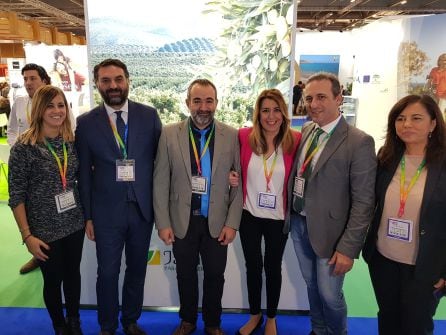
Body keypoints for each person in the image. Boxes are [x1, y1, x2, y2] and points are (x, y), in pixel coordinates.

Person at [75, 58, 162, 335]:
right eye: (106, 81)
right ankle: (108, 325)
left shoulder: (149, 116)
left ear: (127, 80)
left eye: (118, 79)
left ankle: (130, 321)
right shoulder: (86, 123)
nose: (113, 86)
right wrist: (88, 215)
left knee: (137, 270)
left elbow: (162, 163)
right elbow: (84, 175)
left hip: (141, 210)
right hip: (105, 213)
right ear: (97, 84)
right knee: (108, 273)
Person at [286, 72, 377, 335]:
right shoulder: (307, 129)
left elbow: (364, 202)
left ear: (339, 98)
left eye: (322, 97)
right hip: (299, 224)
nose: (313, 104)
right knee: (312, 287)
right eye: (309, 98)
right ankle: (318, 329)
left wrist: (348, 248)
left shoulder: (359, 141)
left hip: (332, 235)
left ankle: (338, 332)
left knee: (329, 294)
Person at [153, 78, 242, 335]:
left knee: (215, 276)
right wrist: (164, 223)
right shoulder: (169, 133)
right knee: (185, 276)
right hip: (182, 221)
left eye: (209, 100)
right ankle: (188, 320)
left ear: (216, 102)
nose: (203, 107)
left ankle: (213, 324)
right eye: (197, 101)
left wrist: (232, 223)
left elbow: (238, 183)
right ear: (187, 103)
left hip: (217, 221)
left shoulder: (231, 135)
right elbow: (160, 181)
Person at [362, 94, 446, 335]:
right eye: (400, 118)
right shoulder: (386, 158)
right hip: (383, 259)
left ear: (433, 124)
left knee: (416, 325)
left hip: (424, 266)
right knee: (387, 319)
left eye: (416, 118)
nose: (407, 124)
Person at [8, 85, 85, 335]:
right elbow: (16, 195)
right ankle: (59, 326)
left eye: (61, 105)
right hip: (43, 229)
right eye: (50, 106)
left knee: (73, 275)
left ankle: (74, 321)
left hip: (74, 222)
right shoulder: (23, 148)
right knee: (53, 280)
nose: (57, 111)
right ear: (40, 109)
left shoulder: (71, 142)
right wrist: (27, 236)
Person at [230, 89, 301, 335]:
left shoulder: (296, 140)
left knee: (272, 267)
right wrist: (231, 175)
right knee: (252, 266)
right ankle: (254, 315)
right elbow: (228, 162)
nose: (271, 116)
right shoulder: (244, 136)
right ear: (258, 114)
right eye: (265, 110)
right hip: (249, 215)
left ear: (284, 112)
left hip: (278, 218)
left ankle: (271, 317)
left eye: (276, 110)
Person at [7, 63, 52, 275]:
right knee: (26, 208)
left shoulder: (55, 102)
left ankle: (45, 253)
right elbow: (12, 130)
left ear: (44, 80)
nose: (28, 83)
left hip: (50, 164)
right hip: (26, 163)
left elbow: (69, 128)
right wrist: (22, 150)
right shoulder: (19, 102)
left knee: (48, 211)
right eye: (25, 79)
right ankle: (35, 253)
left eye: (32, 78)